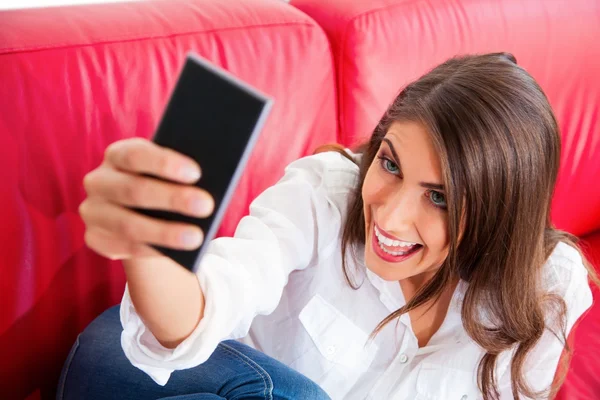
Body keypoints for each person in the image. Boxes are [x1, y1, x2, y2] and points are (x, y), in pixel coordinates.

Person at [58, 53, 596, 400]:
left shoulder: (548, 286)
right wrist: (150, 248)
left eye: (439, 198)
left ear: (503, 212)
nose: (388, 215)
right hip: (138, 369)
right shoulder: (325, 194)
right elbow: (213, 300)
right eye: (390, 164)